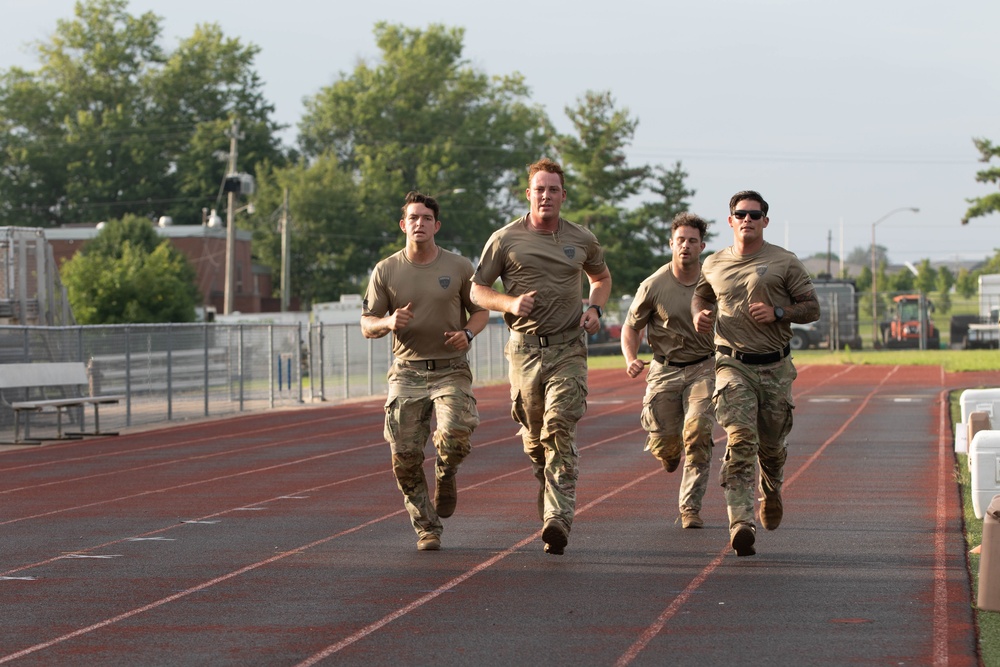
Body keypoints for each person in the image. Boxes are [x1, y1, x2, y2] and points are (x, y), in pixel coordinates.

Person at [471, 158, 612, 556]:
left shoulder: (581, 238)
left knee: (559, 426)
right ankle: (548, 490)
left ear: (563, 196)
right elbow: (476, 290)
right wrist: (510, 302)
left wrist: (595, 309)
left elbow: (601, 278)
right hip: (524, 352)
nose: (546, 196)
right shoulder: (504, 239)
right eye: (539, 189)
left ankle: (558, 519)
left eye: (553, 189)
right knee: (535, 442)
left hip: (568, 347)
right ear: (528, 194)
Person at [692, 190, 820, 557]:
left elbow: (812, 309)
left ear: (765, 220)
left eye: (755, 214)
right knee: (740, 440)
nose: (747, 220)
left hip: (775, 367)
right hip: (731, 364)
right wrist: (699, 313)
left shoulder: (785, 262)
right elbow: (701, 296)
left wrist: (779, 313)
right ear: (730, 220)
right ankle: (741, 522)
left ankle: (772, 487)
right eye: (740, 214)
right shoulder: (714, 263)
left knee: (772, 447)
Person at [361, 191, 489, 552]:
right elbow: (366, 324)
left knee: (455, 433)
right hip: (407, 372)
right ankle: (426, 527)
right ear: (404, 225)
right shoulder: (386, 270)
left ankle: (446, 474)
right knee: (404, 457)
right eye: (413, 218)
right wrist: (388, 321)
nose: (419, 223)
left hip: (451, 369)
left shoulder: (460, 267)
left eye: (426, 218)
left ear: (437, 225)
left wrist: (467, 333)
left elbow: (480, 311)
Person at [621, 212, 716, 530]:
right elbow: (630, 327)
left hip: (704, 366)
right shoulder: (654, 284)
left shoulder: (714, 282)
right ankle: (668, 451)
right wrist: (630, 357)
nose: (686, 246)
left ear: (701, 246)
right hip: (664, 369)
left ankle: (690, 508)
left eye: (692, 241)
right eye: (680, 241)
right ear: (671, 244)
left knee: (699, 431)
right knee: (665, 443)